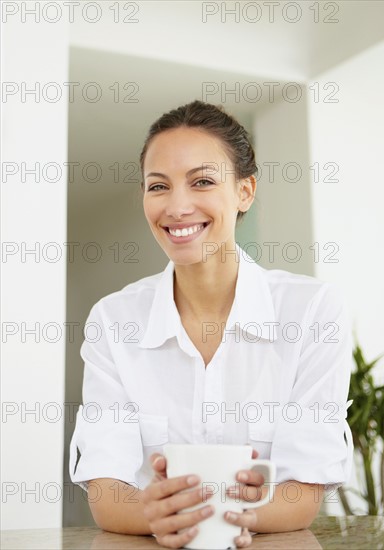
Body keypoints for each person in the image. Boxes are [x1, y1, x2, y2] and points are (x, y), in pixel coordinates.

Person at [69, 100, 354, 548]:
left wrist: (220, 514)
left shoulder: (313, 312)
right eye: (158, 186)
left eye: (202, 181)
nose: (177, 207)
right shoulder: (113, 320)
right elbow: (106, 493)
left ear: (245, 191)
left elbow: (304, 492)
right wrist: (155, 513)